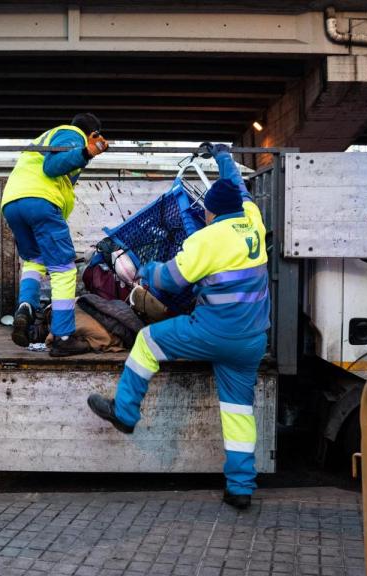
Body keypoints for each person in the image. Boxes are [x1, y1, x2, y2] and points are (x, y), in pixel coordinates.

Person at [86, 142, 269, 510]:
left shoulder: (208, 238)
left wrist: (144, 270)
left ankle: (124, 413)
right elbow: (239, 187)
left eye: (206, 213)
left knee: (148, 341)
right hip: (252, 340)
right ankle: (240, 488)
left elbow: (169, 280)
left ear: (211, 213)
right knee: (238, 413)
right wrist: (222, 157)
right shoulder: (253, 220)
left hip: (213, 333)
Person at [1, 114, 109, 356]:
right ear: (92, 133)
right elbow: (52, 167)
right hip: (40, 202)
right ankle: (62, 337)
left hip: (13, 204)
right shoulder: (73, 135)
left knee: (34, 261)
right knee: (63, 269)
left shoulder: (45, 137)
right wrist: (87, 152)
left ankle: (25, 309)